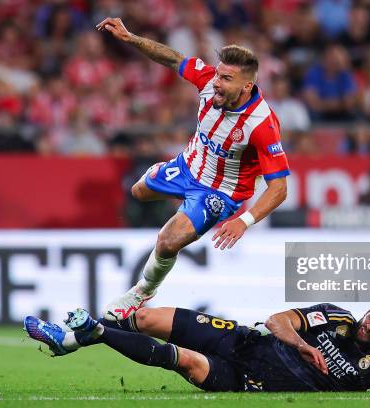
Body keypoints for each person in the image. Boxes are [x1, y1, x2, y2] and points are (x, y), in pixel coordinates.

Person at [95, 17, 290, 322]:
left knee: (168, 240)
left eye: (226, 78)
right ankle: (172, 181)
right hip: (187, 166)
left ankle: (142, 291)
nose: (217, 82)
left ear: (246, 85)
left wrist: (245, 221)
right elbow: (172, 58)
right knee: (138, 191)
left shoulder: (262, 125)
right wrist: (131, 38)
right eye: (219, 74)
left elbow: (279, 188)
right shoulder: (208, 80)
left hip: (220, 192)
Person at [24, 297, 370, 393]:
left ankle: (91, 334)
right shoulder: (334, 317)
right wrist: (301, 344)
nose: (369, 324)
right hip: (243, 339)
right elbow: (278, 320)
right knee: (145, 317)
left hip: (245, 378)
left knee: (187, 362)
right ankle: (73, 338)